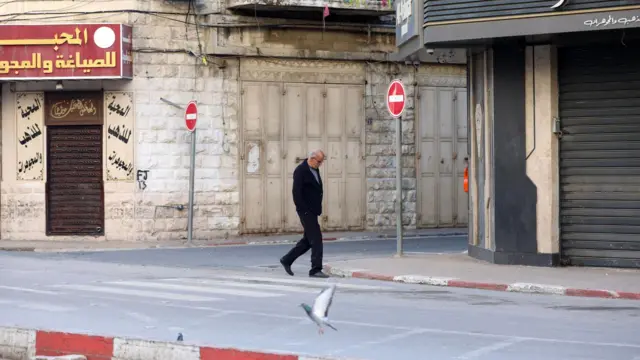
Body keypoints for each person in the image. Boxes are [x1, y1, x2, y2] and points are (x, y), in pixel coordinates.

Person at [280, 150, 330, 278]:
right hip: (306, 211)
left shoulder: (314, 168)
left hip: (313, 210)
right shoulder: (301, 170)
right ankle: (315, 269)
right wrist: (303, 209)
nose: (320, 164)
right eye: (319, 161)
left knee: (308, 240)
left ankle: (287, 259)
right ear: (312, 158)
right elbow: (296, 192)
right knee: (317, 239)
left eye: (322, 161)